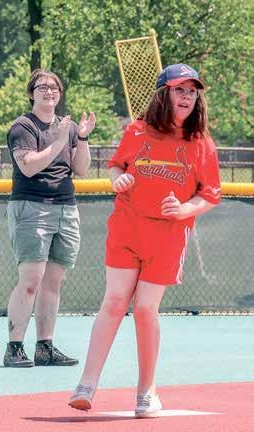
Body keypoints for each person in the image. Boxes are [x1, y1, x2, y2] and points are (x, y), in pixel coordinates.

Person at [69, 64, 221, 417]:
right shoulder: (137, 130)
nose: (186, 96)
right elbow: (116, 166)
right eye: (179, 89)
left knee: (144, 308)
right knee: (114, 301)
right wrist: (117, 179)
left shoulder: (201, 143)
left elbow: (210, 195)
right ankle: (86, 385)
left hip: (167, 236)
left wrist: (184, 210)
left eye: (192, 91)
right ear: (163, 94)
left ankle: (146, 391)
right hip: (128, 227)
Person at [4, 69, 96, 367]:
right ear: (31, 93)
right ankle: (14, 347)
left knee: (53, 281)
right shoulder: (23, 126)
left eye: (54, 87)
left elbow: (81, 169)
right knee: (31, 279)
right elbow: (28, 166)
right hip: (32, 207)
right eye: (42, 87)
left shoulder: (67, 127)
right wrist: (58, 142)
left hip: (65, 208)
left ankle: (45, 347)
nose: (49, 91)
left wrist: (81, 137)